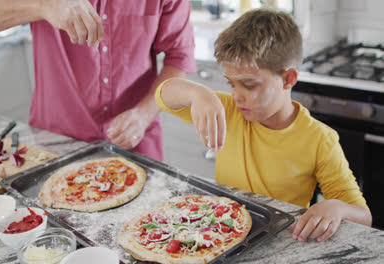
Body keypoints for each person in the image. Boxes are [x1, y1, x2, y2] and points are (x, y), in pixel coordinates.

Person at [154, 8, 372, 242]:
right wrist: (197, 93)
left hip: (279, 242)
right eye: (231, 83)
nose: (237, 95)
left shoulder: (320, 139)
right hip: (222, 237)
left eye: (248, 85)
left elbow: (363, 216)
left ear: (288, 79)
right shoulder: (229, 109)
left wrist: (337, 208)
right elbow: (163, 96)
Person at [0, 0, 196, 161]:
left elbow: (180, 57)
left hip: (137, 138)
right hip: (55, 141)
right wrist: (44, 5)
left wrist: (143, 115)